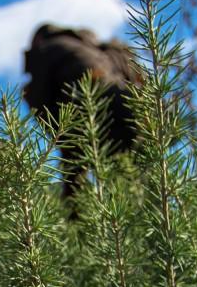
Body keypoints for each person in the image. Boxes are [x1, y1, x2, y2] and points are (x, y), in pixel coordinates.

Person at [22, 22, 142, 196]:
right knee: (133, 184)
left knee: (77, 180)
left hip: (87, 115)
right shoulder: (93, 49)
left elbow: (41, 99)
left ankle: (74, 219)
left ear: (38, 39)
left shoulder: (47, 48)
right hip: (129, 112)